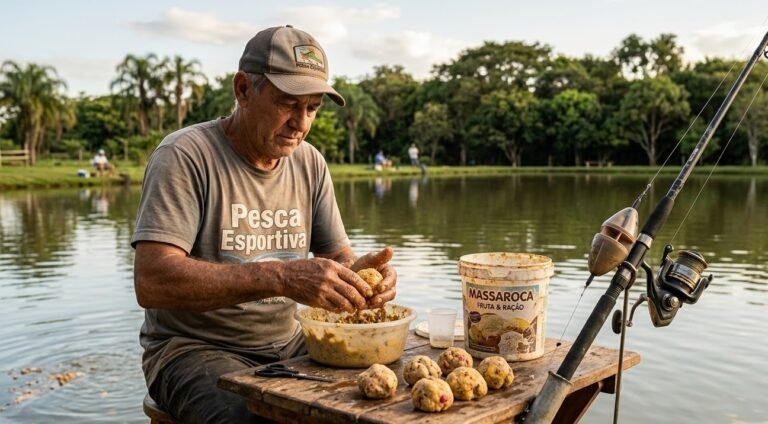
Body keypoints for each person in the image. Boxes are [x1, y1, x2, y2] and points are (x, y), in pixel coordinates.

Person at [131, 25, 397, 423]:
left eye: (312, 108)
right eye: (288, 103)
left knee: (381, 402)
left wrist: (359, 279)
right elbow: (152, 281)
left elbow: (336, 255)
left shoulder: (309, 162)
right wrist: (282, 277)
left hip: (293, 343)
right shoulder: (185, 156)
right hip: (193, 350)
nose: (301, 123)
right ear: (243, 90)